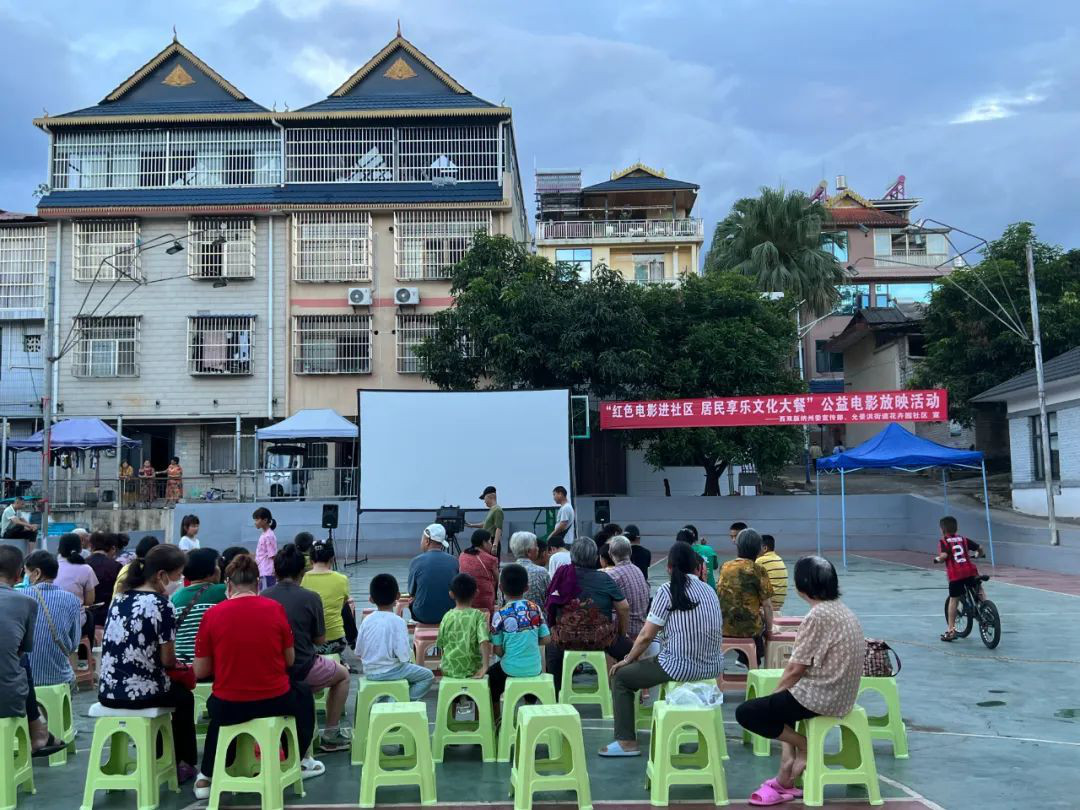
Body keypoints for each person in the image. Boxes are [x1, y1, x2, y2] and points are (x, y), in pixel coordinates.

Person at [192, 553, 324, 799]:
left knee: (219, 712)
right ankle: (298, 760)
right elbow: (290, 660)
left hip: (229, 704)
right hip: (275, 701)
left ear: (228, 585)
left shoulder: (212, 614)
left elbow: (200, 670)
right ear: (257, 583)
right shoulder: (275, 609)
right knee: (303, 694)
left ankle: (207, 776)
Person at [735, 557, 864, 805]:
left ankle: (804, 745)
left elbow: (795, 669)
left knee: (749, 712)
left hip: (821, 697)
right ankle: (785, 772)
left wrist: (772, 697)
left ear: (801, 586)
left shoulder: (817, 616)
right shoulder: (843, 610)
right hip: (842, 696)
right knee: (783, 702)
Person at [601, 541, 724, 757]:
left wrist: (628, 659)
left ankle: (626, 742)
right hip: (712, 667)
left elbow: (646, 636)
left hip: (679, 667)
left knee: (620, 677)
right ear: (697, 567)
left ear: (669, 568)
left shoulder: (667, 590)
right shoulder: (709, 591)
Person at [99, 544, 197, 783]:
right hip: (143, 694)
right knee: (184, 698)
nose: (178, 581)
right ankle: (183, 762)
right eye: (177, 576)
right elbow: (167, 660)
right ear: (162, 575)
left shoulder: (119, 599)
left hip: (108, 692)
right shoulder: (162, 605)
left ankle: (160, 754)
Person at [264, 545, 351, 753]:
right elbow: (319, 640)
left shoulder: (263, 596)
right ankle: (331, 734)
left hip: (271, 671)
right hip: (303, 667)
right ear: (302, 572)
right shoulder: (311, 597)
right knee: (343, 676)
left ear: (275, 571)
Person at [0, 545, 66, 758]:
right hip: (7, 697)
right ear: (19, 574)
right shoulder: (25, 602)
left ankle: (39, 729)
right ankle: (38, 729)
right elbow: (22, 651)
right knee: (22, 661)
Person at [545, 537, 632, 693]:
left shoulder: (562, 576)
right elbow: (624, 607)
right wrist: (621, 633)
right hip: (601, 639)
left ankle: (557, 694)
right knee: (630, 651)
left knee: (552, 650)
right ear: (595, 557)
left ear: (572, 556)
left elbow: (550, 603)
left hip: (565, 639)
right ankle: (623, 693)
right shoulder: (604, 578)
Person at [355, 573, 434, 700]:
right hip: (392, 670)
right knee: (427, 676)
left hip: (369, 672)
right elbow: (404, 656)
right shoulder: (398, 621)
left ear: (371, 599)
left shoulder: (366, 620)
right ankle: (398, 701)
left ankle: (387, 700)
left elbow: (359, 651)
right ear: (398, 596)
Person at [488, 564, 550, 721]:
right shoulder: (535, 609)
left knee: (490, 681)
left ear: (501, 588)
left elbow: (497, 650)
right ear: (526, 587)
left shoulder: (500, 614)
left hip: (509, 669)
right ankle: (527, 712)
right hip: (534, 669)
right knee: (531, 683)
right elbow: (546, 639)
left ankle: (497, 720)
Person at [24, 550, 82, 688]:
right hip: (60, 679)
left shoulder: (20, 596)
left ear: (37, 573)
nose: (25, 576)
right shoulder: (72, 600)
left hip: (25, 679)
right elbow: (74, 644)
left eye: (26, 572)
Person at [717, 528, 774, 664]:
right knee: (759, 626)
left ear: (738, 546)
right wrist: (770, 630)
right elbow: (767, 605)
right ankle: (750, 661)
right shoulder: (758, 570)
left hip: (723, 626)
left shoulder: (725, 567)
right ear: (758, 549)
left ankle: (744, 657)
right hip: (749, 629)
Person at [934, 515, 985, 642]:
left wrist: (938, 559)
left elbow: (944, 556)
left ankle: (951, 631)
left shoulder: (944, 541)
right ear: (956, 528)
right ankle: (985, 608)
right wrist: (978, 555)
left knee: (954, 600)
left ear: (942, 529)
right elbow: (980, 548)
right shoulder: (963, 539)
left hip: (956, 574)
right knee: (979, 589)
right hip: (970, 571)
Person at [171, 549, 227, 664]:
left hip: (183, 664)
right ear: (211, 570)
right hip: (208, 663)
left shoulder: (176, 597)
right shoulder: (223, 591)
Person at [437, 573, 491, 682]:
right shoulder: (478, 616)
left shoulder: (447, 616)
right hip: (472, 670)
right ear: (476, 593)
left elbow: (441, 644)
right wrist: (485, 666)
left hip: (449, 670)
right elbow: (484, 641)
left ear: (451, 594)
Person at [301, 540, 351, 655]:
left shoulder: (302, 579)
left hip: (310, 641)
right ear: (332, 559)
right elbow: (342, 605)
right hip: (337, 640)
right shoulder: (342, 579)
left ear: (311, 560)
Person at [407, 524, 459, 625]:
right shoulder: (454, 561)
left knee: (412, 600)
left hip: (422, 615)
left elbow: (411, 592)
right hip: (450, 614)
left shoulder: (416, 561)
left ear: (427, 541)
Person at [603, 536, 650, 642]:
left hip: (626, 634)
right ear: (630, 552)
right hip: (641, 629)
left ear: (610, 554)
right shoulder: (637, 570)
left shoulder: (612, 575)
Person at [54, 532, 97, 643]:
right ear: (80, 549)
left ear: (59, 548)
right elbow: (89, 601)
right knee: (89, 616)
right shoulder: (86, 569)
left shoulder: (51, 566)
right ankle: (86, 651)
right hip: (75, 622)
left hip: (49, 617)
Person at [457, 529, 499, 617]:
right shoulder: (491, 559)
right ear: (484, 543)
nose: (491, 544)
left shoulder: (463, 555)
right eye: (490, 541)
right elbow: (498, 579)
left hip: (466, 597)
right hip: (484, 599)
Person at [86, 532, 123, 627]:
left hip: (88, 617)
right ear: (112, 547)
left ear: (91, 546)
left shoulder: (83, 564)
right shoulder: (116, 566)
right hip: (111, 614)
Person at [508, 530, 551, 607]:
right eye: (536, 546)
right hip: (537, 614)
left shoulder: (505, 571)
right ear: (529, 551)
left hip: (510, 614)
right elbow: (549, 598)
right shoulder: (542, 572)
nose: (538, 548)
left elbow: (501, 600)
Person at [467, 486, 504, 559]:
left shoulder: (497, 510)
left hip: (491, 541)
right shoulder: (492, 510)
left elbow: (499, 528)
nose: (484, 501)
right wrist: (471, 525)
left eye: (485, 498)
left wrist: (495, 545)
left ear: (491, 496)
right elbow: (485, 524)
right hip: (487, 542)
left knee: (492, 563)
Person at [757, 534, 789, 613]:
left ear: (764, 548)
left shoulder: (761, 560)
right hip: (778, 605)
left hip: (766, 605)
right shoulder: (779, 559)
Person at [253, 507, 278, 590]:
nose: (255, 522)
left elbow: (273, 555)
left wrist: (275, 570)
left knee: (265, 593)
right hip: (262, 570)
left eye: (257, 520)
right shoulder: (265, 534)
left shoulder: (269, 536)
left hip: (267, 572)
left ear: (265, 520)